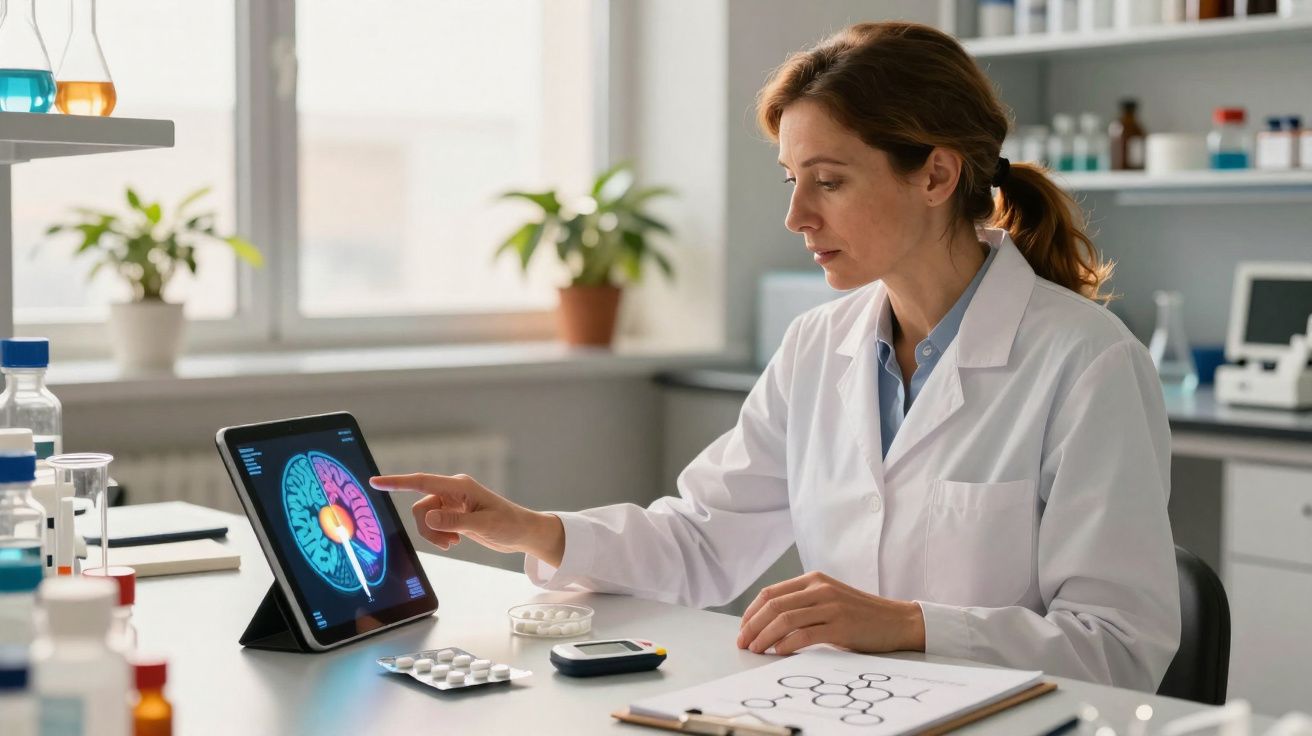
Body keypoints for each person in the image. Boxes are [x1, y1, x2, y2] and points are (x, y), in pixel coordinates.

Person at [371, 21, 1179, 692]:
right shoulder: (819, 346)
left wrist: (906, 625)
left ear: (936, 173)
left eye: (828, 181)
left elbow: (1120, 646)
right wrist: (532, 529)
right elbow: (702, 542)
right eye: (792, 178)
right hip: (840, 706)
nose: (796, 214)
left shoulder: (1086, 362)